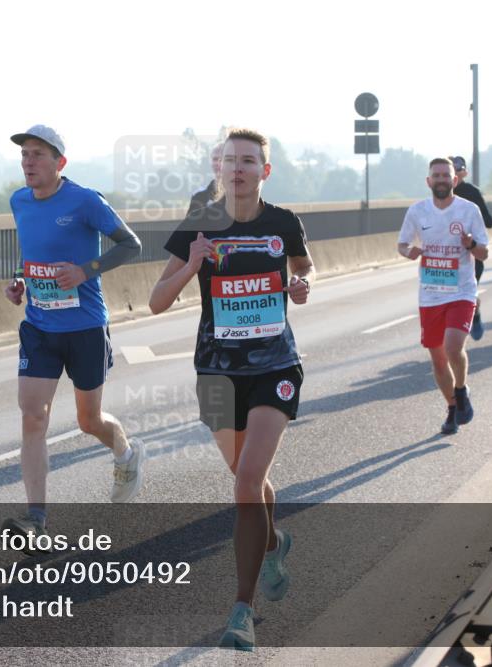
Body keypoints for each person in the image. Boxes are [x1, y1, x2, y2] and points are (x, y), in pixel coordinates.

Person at [150, 128, 314, 652]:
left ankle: (241, 611)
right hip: (217, 373)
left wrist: (301, 285)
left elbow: (304, 270)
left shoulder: (283, 223)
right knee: (250, 484)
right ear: (218, 170)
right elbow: (156, 301)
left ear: (265, 171)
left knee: (246, 483)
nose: (238, 169)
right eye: (229, 161)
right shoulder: (200, 225)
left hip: (275, 367)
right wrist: (194, 264)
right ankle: (273, 539)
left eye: (249, 161)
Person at [2, 124, 145, 550]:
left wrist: (86, 271)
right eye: (24, 154)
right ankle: (36, 520)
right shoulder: (19, 201)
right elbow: (31, 250)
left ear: (59, 162)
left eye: (37, 155)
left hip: (84, 326)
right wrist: (19, 279)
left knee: (89, 421)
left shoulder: (85, 200)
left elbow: (130, 244)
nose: (28, 162)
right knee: (33, 415)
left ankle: (125, 453)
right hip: (40, 326)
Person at [397, 158, 489, 435]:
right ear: (428, 181)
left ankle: (461, 390)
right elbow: (402, 244)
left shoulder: (468, 210)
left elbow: (484, 252)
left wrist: (470, 244)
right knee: (437, 359)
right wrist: (409, 251)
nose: (440, 179)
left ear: (454, 180)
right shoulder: (417, 211)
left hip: (461, 290)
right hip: (431, 294)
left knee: (452, 347)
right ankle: (452, 407)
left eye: (445, 175)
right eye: (435, 175)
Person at [450, 155, 492, 340]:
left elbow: (489, 221)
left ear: (463, 173)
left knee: (466, 294)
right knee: (449, 297)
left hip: (471, 253)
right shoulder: (439, 195)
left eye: (457, 171)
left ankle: (474, 314)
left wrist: (468, 225)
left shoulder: (472, 193)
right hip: (448, 256)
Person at [186, 141, 224, 217]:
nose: (218, 163)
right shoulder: (199, 195)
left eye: (223, 159)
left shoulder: (242, 194)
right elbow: (190, 226)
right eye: (215, 159)